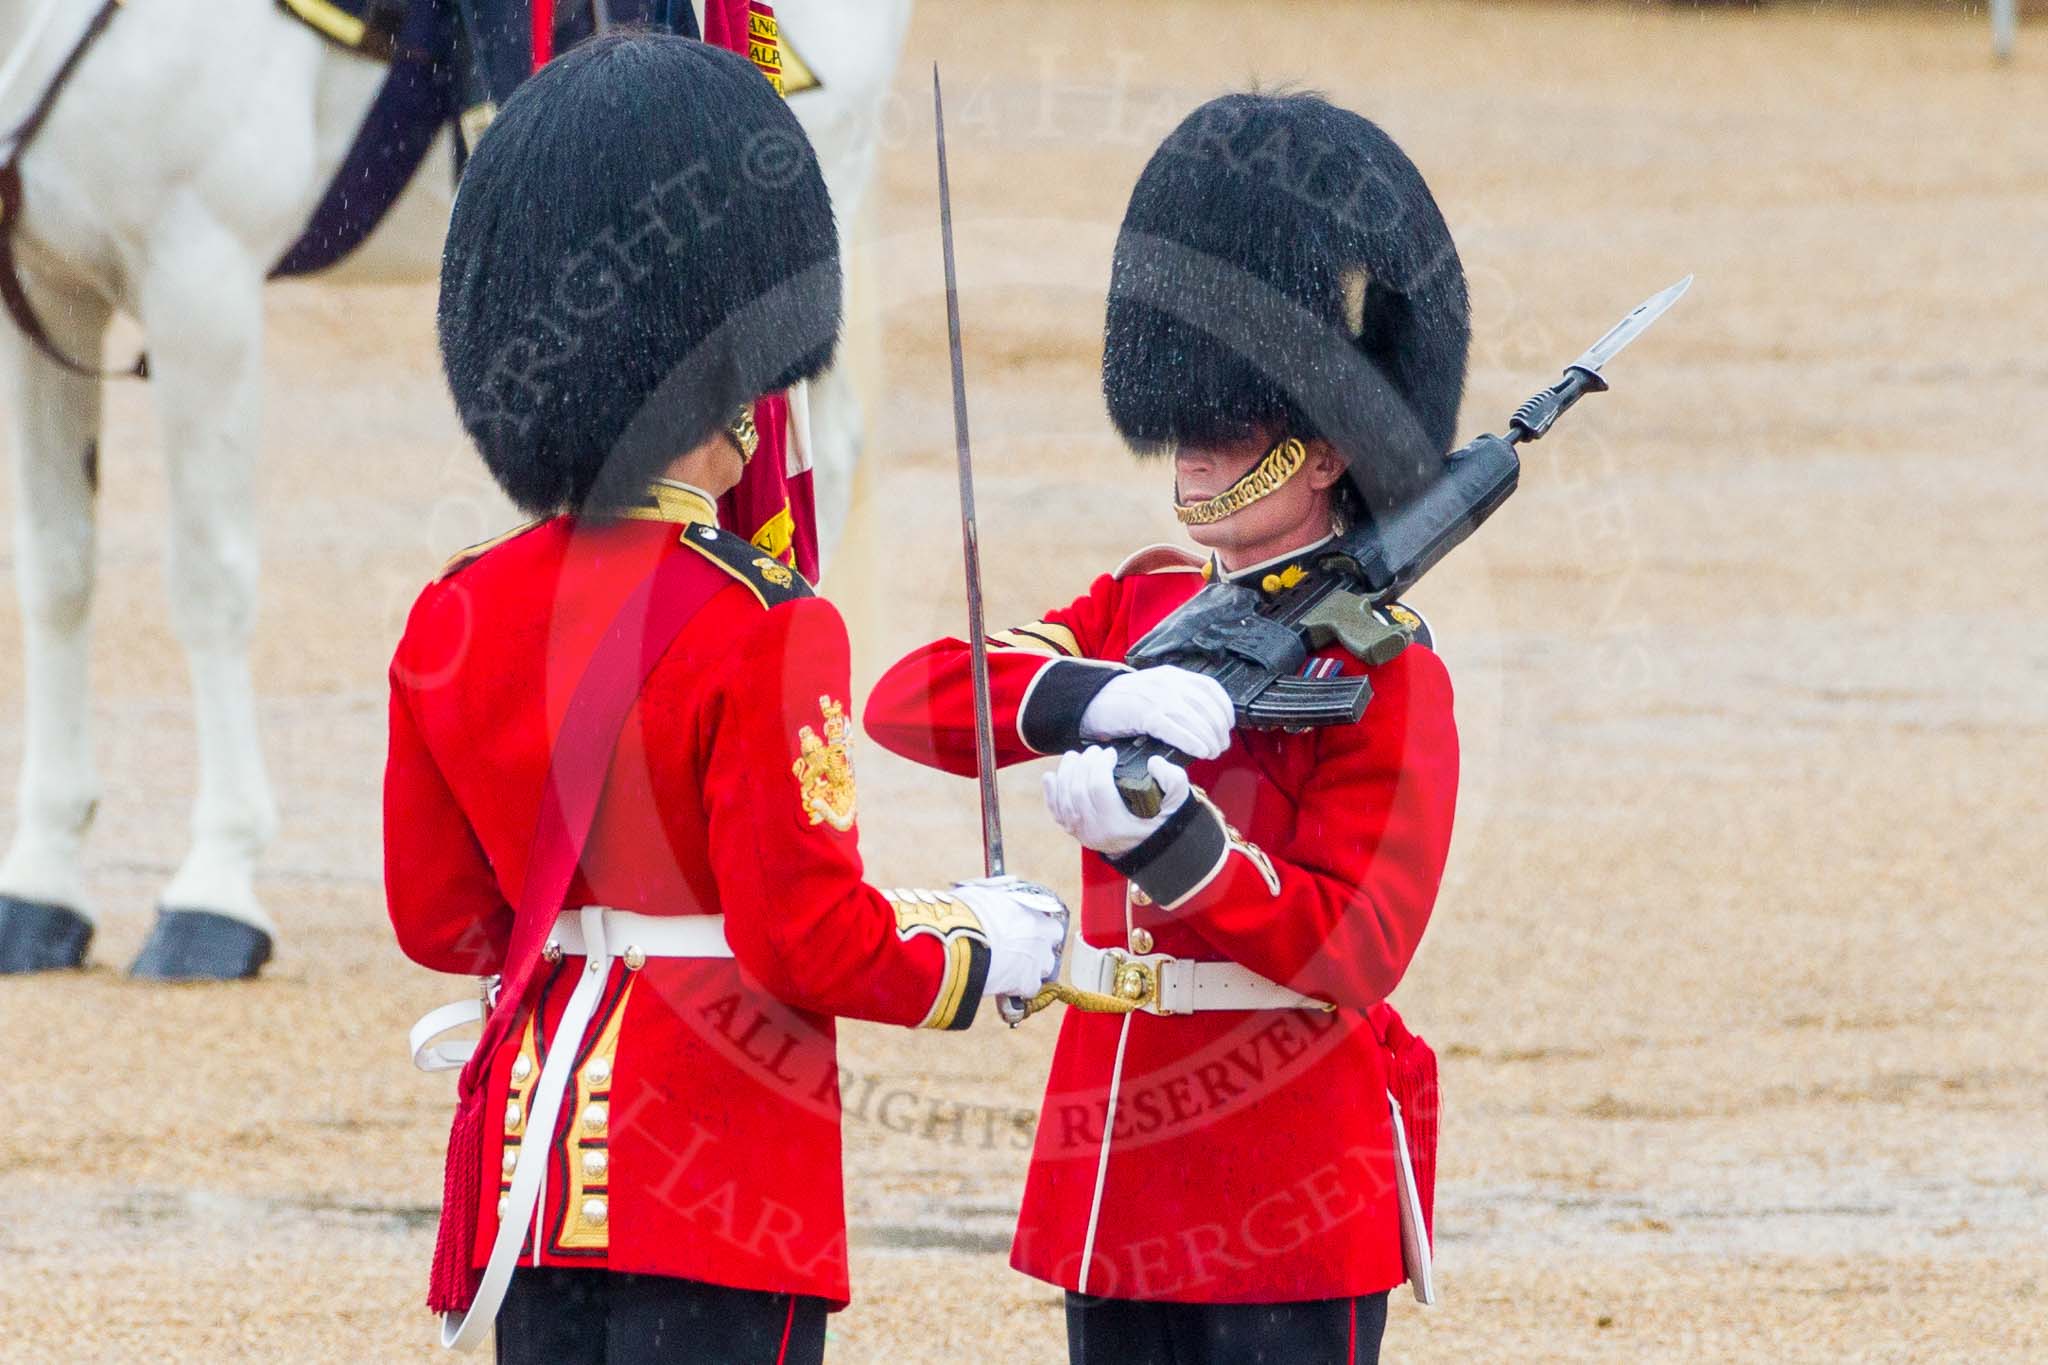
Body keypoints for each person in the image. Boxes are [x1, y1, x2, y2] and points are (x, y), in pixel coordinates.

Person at [384, 35, 1065, 1362]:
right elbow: (804, 936)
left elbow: (439, 918)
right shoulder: (763, 619)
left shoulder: (456, 609)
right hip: (721, 1179)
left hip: (535, 1173)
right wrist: (976, 945)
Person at [864, 92, 1467, 1365]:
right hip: (1117, 1166)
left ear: (1319, 450)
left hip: (1284, 1176)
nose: (1192, 447)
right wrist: (1093, 695)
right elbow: (908, 698)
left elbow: (1353, 946)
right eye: (1182, 415)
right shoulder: (1135, 607)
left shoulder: (1389, 670)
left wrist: (1175, 848)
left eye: (1230, 419)